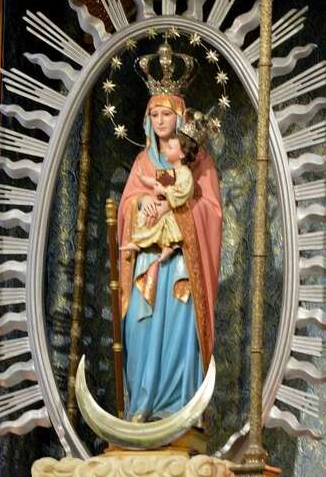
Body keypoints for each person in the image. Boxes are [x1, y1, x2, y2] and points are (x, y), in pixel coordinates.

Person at [117, 93, 222, 423]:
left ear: (180, 117)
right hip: (147, 263)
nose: (160, 121)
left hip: (180, 264)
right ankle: (141, 405)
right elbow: (126, 206)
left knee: (178, 328)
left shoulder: (199, 162)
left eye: (166, 114)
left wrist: (174, 210)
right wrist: (141, 203)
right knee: (139, 325)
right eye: (155, 115)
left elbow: (212, 212)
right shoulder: (142, 162)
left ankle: (178, 409)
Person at [120, 133, 198, 264]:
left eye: (170, 148)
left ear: (181, 155)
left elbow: (183, 193)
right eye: (167, 147)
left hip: (173, 211)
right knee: (146, 217)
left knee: (159, 224)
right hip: (164, 208)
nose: (166, 150)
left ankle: (166, 246)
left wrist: (164, 191)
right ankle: (138, 243)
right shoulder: (171, 172)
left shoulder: (185, 174)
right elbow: (155, 182)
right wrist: (142, 178)